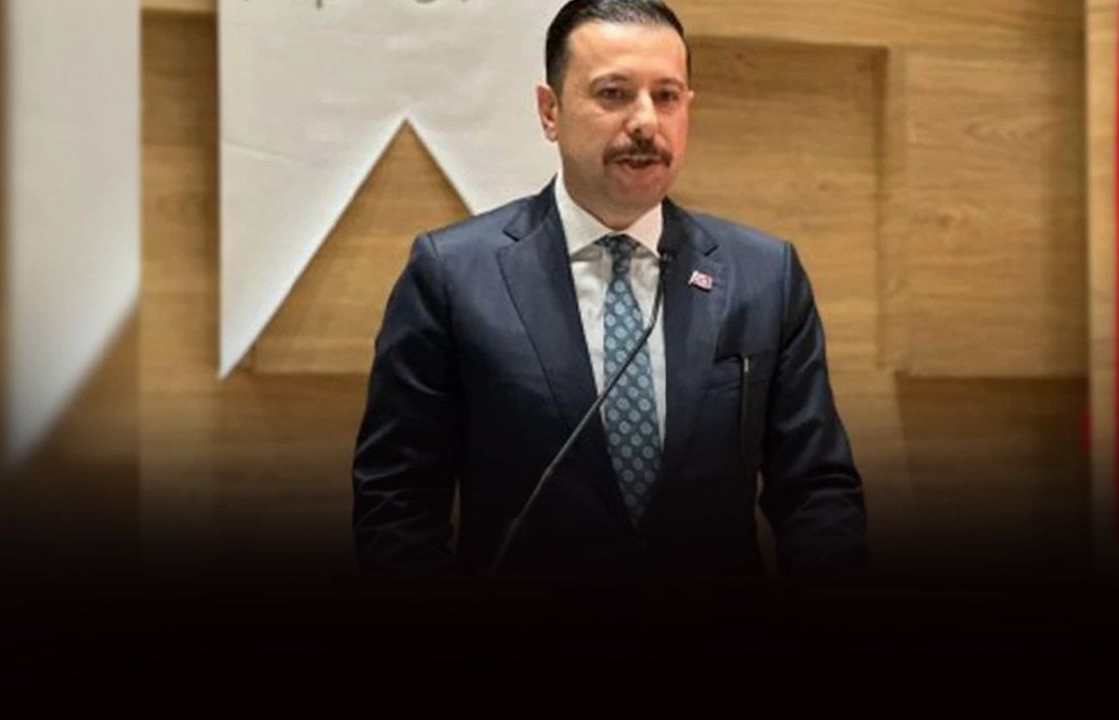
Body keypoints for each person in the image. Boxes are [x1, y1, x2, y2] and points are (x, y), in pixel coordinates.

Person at [352, 0, 866, 579]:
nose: (646, 122)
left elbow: (817, 492)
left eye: (667, 96)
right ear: (550, 111)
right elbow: (395, 502)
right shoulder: (452, 274)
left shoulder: (764, 275)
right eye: (614, 94)